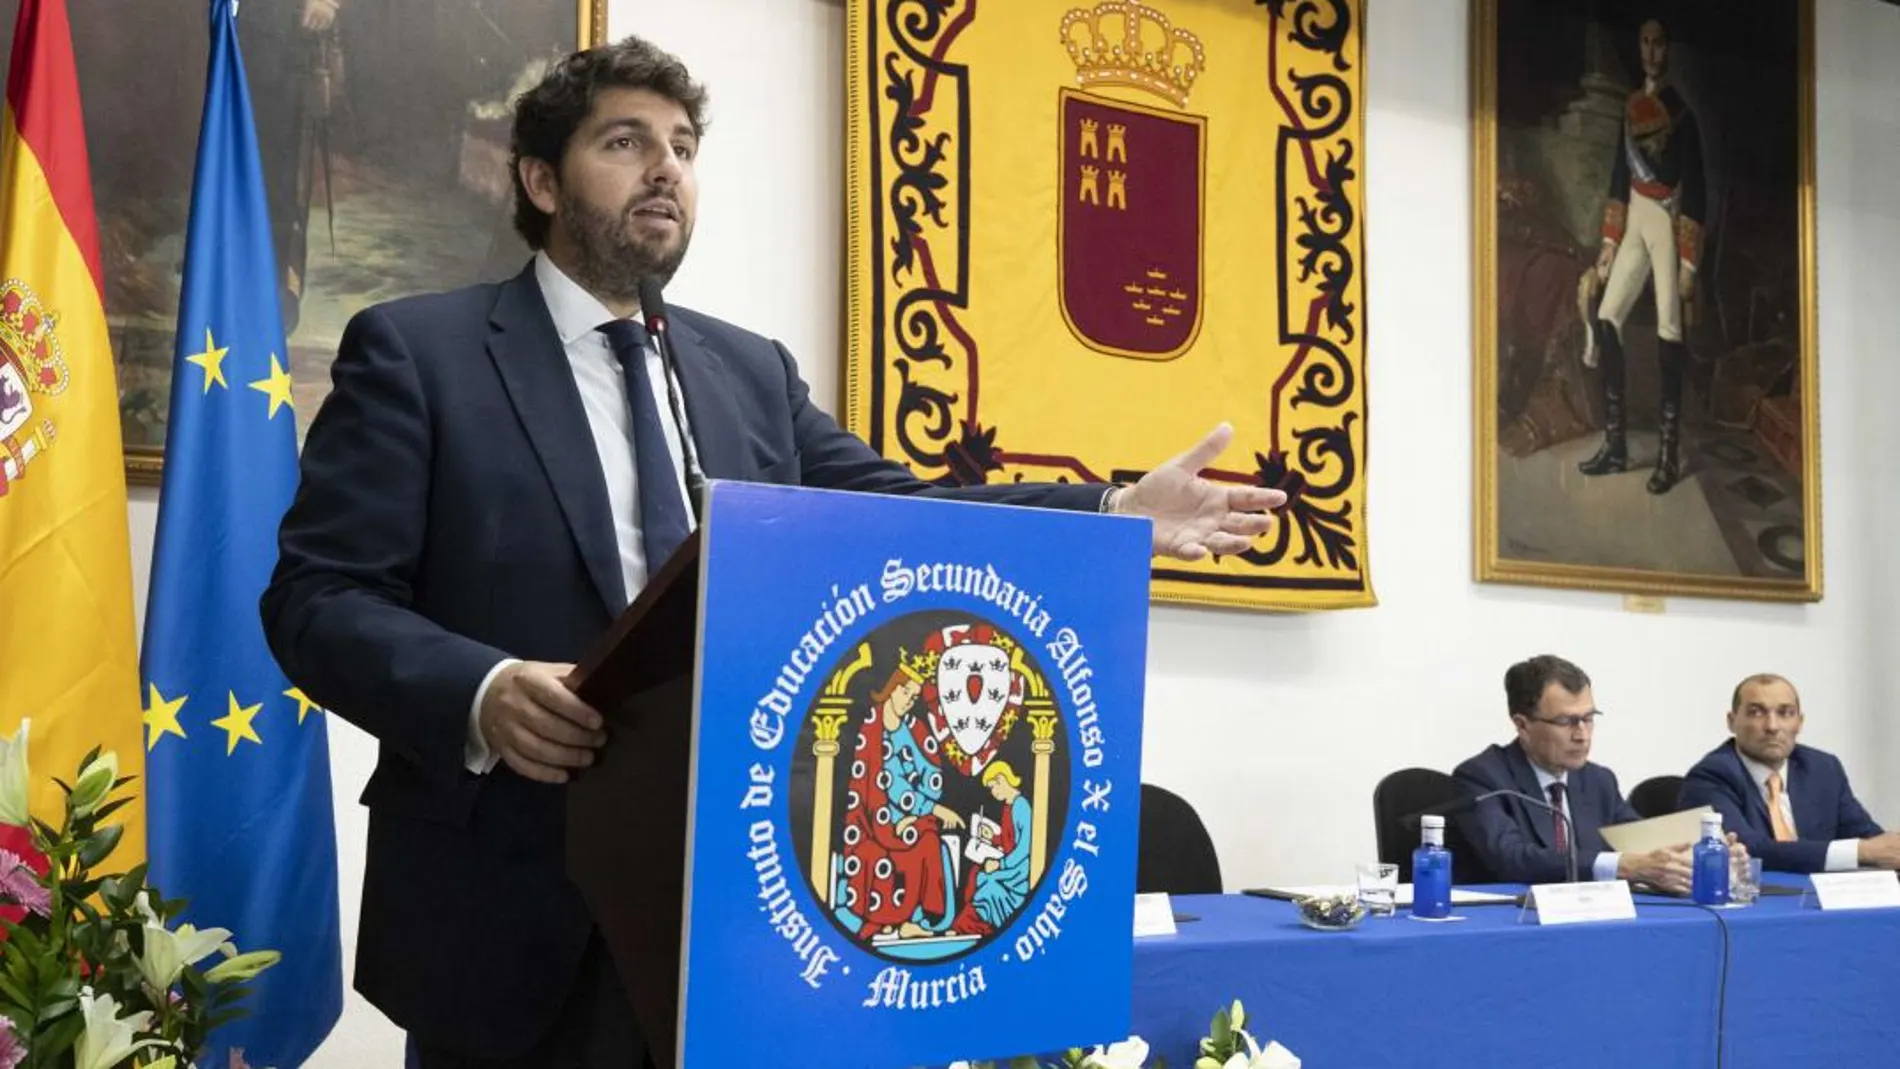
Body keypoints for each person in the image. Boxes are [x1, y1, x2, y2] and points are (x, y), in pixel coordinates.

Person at [260, 34, 1286, 1069]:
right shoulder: (419, 353)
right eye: (625, 142)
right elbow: (319, 598)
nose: (666, 169)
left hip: (746, 910)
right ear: (538, 177)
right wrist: (482, 690)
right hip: (512, 911)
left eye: (684, 145)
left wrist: (1109, 506)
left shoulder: (747, 372)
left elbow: (910, 519)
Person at [1454, 655, 1720, 893]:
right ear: (1522, 725)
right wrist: (1620, 865)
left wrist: (1707, 855)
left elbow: (1641, 844)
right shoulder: (1483, 777)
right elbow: (1512, 859)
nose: (1581, 735)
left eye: (1588, 718)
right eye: (1565, 721)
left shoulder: (1598, 780)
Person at [1577, 17, 1705, 494]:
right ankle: (1616, 447)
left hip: (1669, 223)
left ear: (1669, 49)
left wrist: (1689, 262)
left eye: (1659, 43)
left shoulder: (1683, 113)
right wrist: (1609, 244)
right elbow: (1618, 176)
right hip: (1634, 218)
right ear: (1639, 47)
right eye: (1645, 42)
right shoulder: (1631, 108)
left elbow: (1697, 189)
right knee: (1608, 316)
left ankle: (1669, 456)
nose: (1651, 51)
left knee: (1670, 327)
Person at [1678, 674, 1900, 874]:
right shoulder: (1711, 775)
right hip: (1758, 902)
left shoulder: (1823, 768)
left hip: (1825, 898)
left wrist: (1888, 848)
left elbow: (1867, 836)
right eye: (1756, 712)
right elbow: (1749, 850)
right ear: (1732, 721)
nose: (1772, 726)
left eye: (1785, 713)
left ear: (1799, 722)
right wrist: (1860, 852)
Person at [837, 667, 963, 941]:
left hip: (909, 817)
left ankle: (915, 919)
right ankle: (903, 920)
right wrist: (930, 809)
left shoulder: (914, 728)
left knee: (926, 834)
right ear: (891, 687)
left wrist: (916, 809)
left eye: (915, 696)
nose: (909, 699)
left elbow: (932, 773)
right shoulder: (872, 730)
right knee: (923, 840)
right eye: (905, 691)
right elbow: (888, 784)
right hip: (874, 823)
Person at [952, 760, 1033, 936]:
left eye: (993, 787)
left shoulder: (1021, 806)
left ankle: (974, 925)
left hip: (1017, 870)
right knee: (976, 873)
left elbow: (1024, 848)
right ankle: (971, 922)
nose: (993, 792)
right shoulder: (1008, 806)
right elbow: (1008, 840)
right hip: (1009, 864)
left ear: (1002, 780)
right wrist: (992, 837)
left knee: (987, 882)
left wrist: (1000, 864)